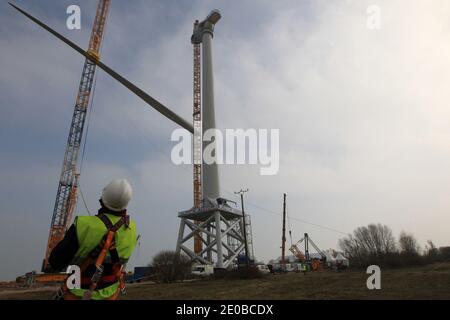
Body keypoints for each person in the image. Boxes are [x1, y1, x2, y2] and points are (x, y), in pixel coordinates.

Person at [49, 179, 137, 300]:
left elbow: (55, 262)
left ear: (102, 198)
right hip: (110, 295)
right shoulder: (131, 228)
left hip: (77, 295)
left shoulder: (83, 225)